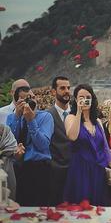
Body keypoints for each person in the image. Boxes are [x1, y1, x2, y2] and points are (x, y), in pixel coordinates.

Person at [63, 84, 111, 206]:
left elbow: (105, 148)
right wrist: (79, 112)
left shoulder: (97, 121)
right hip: (79, 169)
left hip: (97, 170)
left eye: (88, 97)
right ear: (76, 100)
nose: (85, 100)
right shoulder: (70, 118)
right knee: (80, 206)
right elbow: (72, 136)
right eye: (81, 97)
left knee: (98, 205)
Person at [6, 86, 54, 206]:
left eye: (33, 97)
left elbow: (43, 145)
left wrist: (31, 120)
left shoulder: (45, 117)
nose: (31, 101)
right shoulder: (11, 118)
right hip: (18, 168)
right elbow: (10, 141)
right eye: (26, 99)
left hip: (39, 168)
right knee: (19, 207)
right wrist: (17, 115)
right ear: (17, 102)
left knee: (39, 208)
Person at [47, 76, 72, 205]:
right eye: (62, 88)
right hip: (55, 173)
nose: (67, 91)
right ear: (53, 92)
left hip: (77, 172)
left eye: (68, 88)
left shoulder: (78, 114)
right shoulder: (47, 115)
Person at [0, 124, 24, 200]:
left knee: (7, 205)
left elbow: (14, 154)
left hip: (7, 175)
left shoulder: (5, 130)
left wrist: (18, 153)